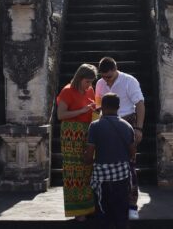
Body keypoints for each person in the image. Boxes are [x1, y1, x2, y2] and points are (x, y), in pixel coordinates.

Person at [96, 57, 145, 221]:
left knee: (130, 164)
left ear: (116, 69)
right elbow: (98, 105)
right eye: (103, 76)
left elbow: (140, 103)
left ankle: (132, 205)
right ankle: (106, 204)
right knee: (106, 162)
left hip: (127, 121)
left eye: (109, 76)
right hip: (106, 121)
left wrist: (138, 127)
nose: (106, 80)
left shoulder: (129, 81)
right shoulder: (100, 83)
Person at [84, 93, 136, 229]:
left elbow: (89, 154)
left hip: (102, 177)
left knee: (103, 212)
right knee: (121, 212)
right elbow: (132, 153)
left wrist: (87, 162)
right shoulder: (127, 126)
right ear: (118, 107)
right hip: (122, 175)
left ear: (103, 107)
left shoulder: (94, 126)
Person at [57, 63, 98, 220]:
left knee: (87, 169)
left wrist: (94, 110)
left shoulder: (90, 90)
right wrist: (81, 111)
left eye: (91, 82)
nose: (90, 85)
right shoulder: (68, 91)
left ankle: (87, 207)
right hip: (71, 134)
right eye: (87, 81)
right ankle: (78, 211)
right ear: (80, 78)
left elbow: (90, 108)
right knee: (74, 172)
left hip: (87, 131)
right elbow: (61, 115)